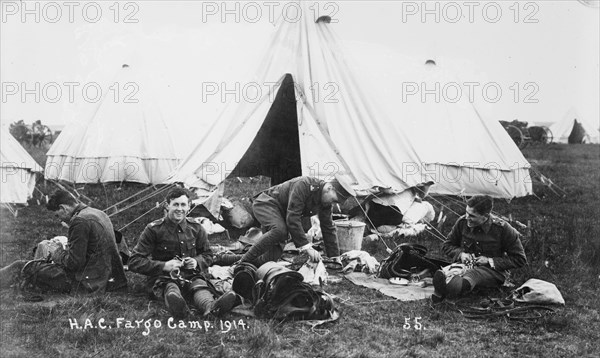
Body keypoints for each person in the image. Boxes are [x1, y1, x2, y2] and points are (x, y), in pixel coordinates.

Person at [128, 187, 238, 319]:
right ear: (167, 206)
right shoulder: (153, 230)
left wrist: (196, 261)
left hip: (192, 275)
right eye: (175, 204)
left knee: (199, 287)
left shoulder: (196, 228)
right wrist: (163, 266)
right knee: (170, 288)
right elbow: (134, 261)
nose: (179, 209)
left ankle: (211, 309)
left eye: (183, 205)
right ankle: (180, 309)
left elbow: (208, 255)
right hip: (164, 277)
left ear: (189, 207)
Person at [0, 190, 127, 293]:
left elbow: (74, 264)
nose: (59, 219)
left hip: (88, 283)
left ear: (63, 208)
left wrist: (57, 252)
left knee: (21, 266)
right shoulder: (97, 213)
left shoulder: (80, 221)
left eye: (57, 215)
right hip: (110, 279)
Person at [239, 175, 356, 267]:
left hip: (281, 213)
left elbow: (328, 226)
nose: (333, 204)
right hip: (267, 203)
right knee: (279, 230)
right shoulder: (304, 185)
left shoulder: (325, 201)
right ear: (329, 188)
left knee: (268, 259)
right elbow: (293, 218)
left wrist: (334, 256)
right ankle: (239, 264)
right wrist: (307, 247)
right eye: (334, 200)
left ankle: (223, 258)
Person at [432, 195, 527, 302]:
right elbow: (447, 245)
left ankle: (455, 288)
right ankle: (449, 283)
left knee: (473, 274)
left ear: (485, 216)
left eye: (472, 215)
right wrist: (461, 254)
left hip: (493, 272)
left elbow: (520, 259)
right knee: (451, 271)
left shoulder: (503, 229)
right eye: (466, 213)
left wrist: (489, 261)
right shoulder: (462, 222)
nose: (467, 217)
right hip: (465, 265)